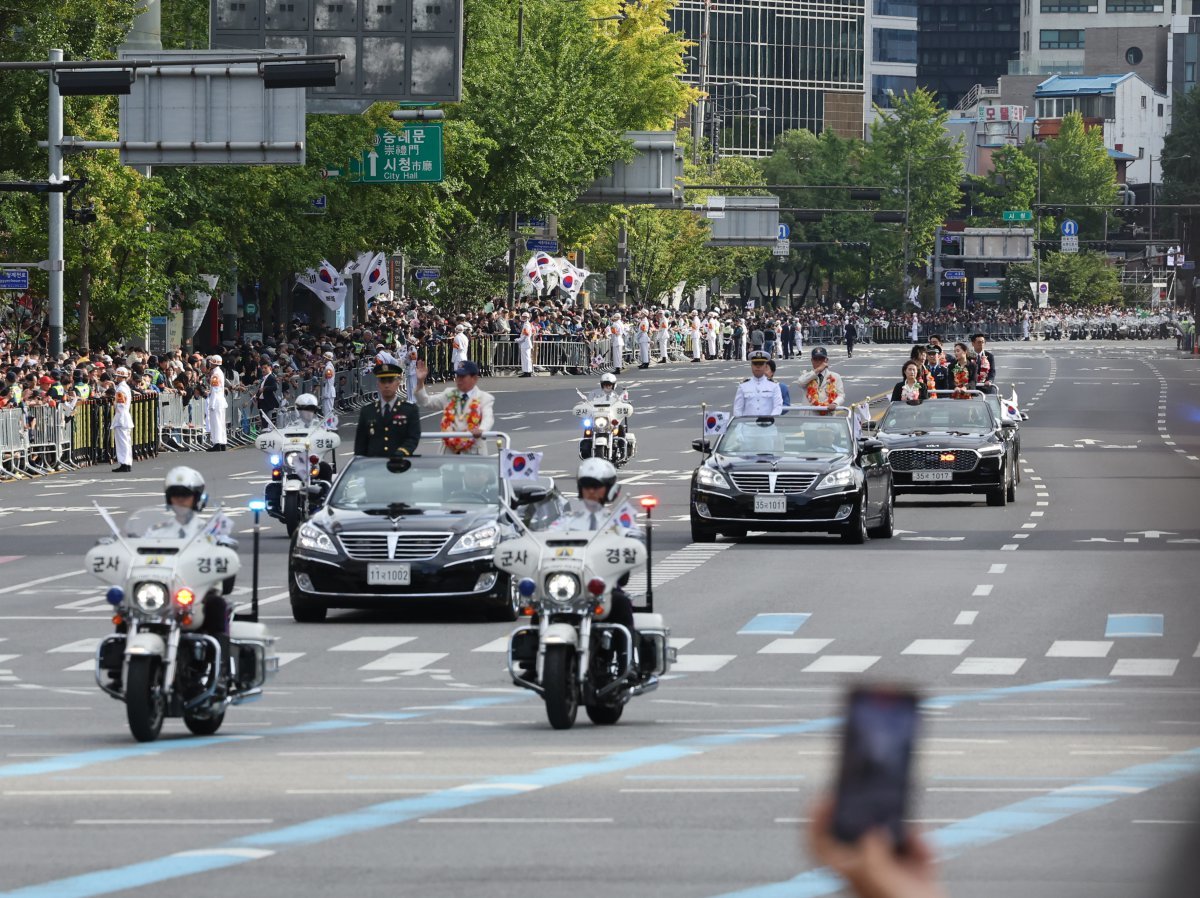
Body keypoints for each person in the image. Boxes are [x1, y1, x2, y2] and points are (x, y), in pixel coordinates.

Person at [549, 458, 642, 672]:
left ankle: (628, 662)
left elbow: (635, 543)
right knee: (540, 609)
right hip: (569, 587)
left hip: (604, 589)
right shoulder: (564, 522)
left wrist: (629, 549)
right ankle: (537, 662)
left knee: (621, 604)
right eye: (586, 485)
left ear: (609, 490)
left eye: (596, 486)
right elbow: (544, 542)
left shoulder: (619, 522)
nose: (591, 491)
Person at [414, 359, 495, 455]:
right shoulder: (449, 394)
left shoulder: (484, 398)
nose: (459, 379)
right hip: (449, 453)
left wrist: (482, 430)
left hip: (473, 453)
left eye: (463, 376)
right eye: (458, 376)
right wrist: (420, 381)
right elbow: (426, 402)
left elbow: (488, 418)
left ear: (474, 378)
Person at [354, 354, 420, 458]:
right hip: (374, 465)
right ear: (378, 384)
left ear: (398, 383)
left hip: (400, 464)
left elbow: (413, 438)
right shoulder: (367, 411)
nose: (386, 385)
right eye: (383, 381)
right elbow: (360, 445)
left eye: (390, 381)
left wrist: (402, 452)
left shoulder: (409, 410)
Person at [733, 350, 784, 417]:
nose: (758, 366)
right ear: (751, 365)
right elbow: (737, 409)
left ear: (765, 366)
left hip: (768, 424)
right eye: (755, 364)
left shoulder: (774, 385)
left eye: (761, 364)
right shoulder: (743, 386)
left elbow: (778, 406)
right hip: (748, 425)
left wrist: (769, 420)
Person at [110, 366, 134, 473]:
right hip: (125, 417)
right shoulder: (126, 387)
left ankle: (124, 463)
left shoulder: (120, 389)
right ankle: (127, 463)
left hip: (121, 418)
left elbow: (121, 404)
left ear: (120, 377)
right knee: (126, 442)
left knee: (122, 442)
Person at [205, 355, 228, 451]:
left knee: (216, 422)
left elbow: (215, 389)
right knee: (221, 422)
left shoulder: (215, 374)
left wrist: (212, 403)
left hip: (216, 401)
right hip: (220, 401)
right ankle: (222, 443)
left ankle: (217, 443)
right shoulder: (218, 372)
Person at [516, 311, 535, 377]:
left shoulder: (526, 325)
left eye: (524, 317)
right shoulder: (528, 324)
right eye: (523, 316)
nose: (523, 318)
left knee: (526, 359)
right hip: (526, 344)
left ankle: (527, 372)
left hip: (525, 344)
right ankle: (527, 371)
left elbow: (525, 335)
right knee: (527, 358)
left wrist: (518, 340)